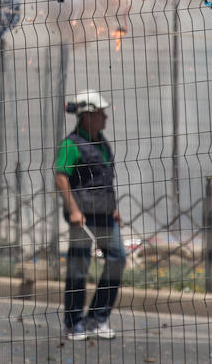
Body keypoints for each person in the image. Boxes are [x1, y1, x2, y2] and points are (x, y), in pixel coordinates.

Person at [55, 90, 125, 341]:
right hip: (83, 217)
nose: (106, 117)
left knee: (117, 258)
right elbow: (61, 175)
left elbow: (103, 179)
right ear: (86, 117)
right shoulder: (71, 144)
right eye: (100, 113)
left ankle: (97, 317)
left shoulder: (101, 142)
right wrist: (73, 209)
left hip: (105, 215)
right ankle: (73, 323)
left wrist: (114, 209)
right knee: (79, 268)